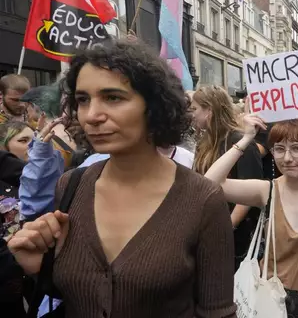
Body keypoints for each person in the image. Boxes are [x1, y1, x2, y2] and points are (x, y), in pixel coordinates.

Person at [7, 40, 236, 318]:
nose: (92, 116)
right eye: (83, 100)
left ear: (154, 105)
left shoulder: (202, 200)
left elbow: (217, 312)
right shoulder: (71, 186)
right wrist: (39, 268)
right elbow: (84, 293)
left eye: (113, 97)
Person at [204, 115, 298, 318]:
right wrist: (245, 139)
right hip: (269, 304)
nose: (287, 158)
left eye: (297, 148)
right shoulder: (267, 190)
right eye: (279, 149)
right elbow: (209, 183)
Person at [191, 85, 263, 270]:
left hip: (236, 239)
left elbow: (248, 196)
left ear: (209, 110)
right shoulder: (204, 143)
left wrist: (227, 227)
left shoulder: (240, 141)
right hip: (208, 231)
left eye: (195, 109)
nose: (191, 115)